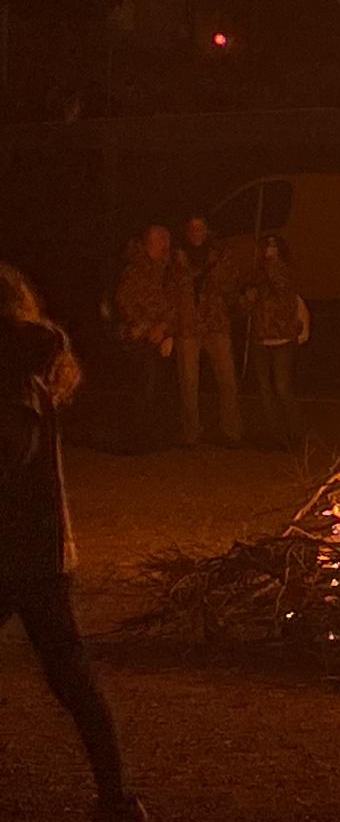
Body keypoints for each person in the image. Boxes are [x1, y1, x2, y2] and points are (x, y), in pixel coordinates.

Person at [0, 264, 148, 821]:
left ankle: (117, 797)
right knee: (73, 680)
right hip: (38, 554)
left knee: (72, 679)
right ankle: (117, 797)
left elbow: (7, 455)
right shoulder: (21, 370)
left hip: (18, 554)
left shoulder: (11, 378)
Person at [173, 214, 243, 446]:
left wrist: (210, 272)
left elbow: (231, 285)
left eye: (200, 228)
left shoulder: (220, 254)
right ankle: (191, 434)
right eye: (192, 228)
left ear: (207, 230)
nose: (196, 232)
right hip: (188, 327)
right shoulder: (175, 257)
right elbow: (170, 292)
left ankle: (232, 432)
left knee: (227, 380)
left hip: (216, 324)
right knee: (188, 382)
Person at [113, 225, 178, 450]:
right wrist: (145, 326)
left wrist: (165, 328)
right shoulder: (136, 269)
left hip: (162, 335)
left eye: (167, 238)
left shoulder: (169, 268)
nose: (165, 243)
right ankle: (137, 437)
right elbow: (124, 301)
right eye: (161, 238)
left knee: (159, 385)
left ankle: (154, 434)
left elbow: (176, 301)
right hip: (139, 336)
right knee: (142, 385)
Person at [244, 233, 308, 449]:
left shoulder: (285, 271)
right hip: (260, 338)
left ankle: (296, 433)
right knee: (265, 389)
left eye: (273, 246)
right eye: (266, 246)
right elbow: (247, 302)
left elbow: (282, 285)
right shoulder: (256, 274)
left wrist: (270, 265)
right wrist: (247, 298)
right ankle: (275, 436)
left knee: (282, 387)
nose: (268, 251)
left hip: (282, 337)